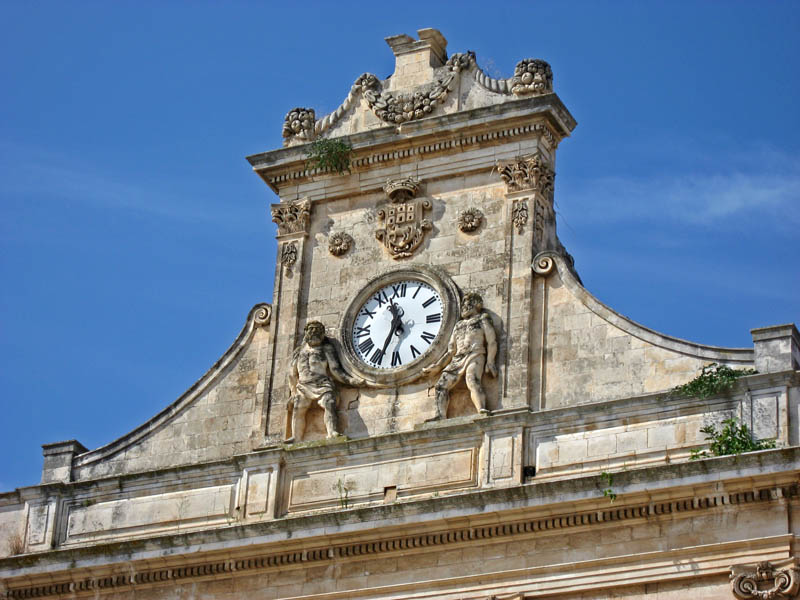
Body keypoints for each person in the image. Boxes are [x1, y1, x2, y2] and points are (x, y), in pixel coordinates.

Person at [285, 321, 365, 443]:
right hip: (303, 385)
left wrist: (351, 381)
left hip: (322, 384)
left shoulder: (326, 349)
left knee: (329, 403)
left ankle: (332, 432)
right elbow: (292, 374)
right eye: (311, 330)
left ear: (322, 334)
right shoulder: (299, 352)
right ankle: (296, 437)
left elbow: (335, 370)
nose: (314, 332)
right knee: (298, 408)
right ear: (306, 333)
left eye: (317, 330)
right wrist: (294, 392)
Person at [422, 292, 498, 420]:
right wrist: (437, 367)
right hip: (457, 359)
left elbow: (492, 341)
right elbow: (451, 351)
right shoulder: (459, 325)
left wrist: (490, 361)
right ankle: (440, 415)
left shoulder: (482, 319)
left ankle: (481, 410)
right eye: (463, 304)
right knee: (441, 386)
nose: (464, 306)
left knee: (472, 380)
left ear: (476, 304)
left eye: (467, 303)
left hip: (475, 354)